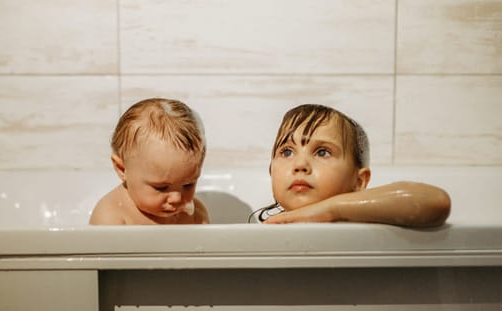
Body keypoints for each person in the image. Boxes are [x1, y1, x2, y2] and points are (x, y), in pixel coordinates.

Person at [256, 104, 451, 227]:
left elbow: (436, 201)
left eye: (322, 152)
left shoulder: (364, 219)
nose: (300, 165)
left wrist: (330, 209)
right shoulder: (267, 227)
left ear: (358, 181)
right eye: (287, 152)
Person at [90, 98, 209, 225]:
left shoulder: (196, 215)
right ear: (122, 169)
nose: (176, 198)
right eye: (161, 187)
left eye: (188, 185)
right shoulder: (111, 217)